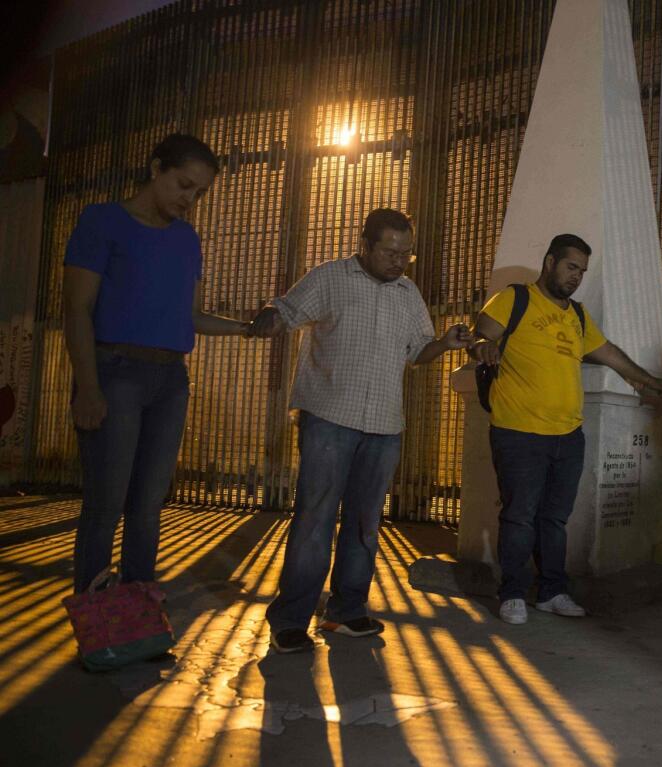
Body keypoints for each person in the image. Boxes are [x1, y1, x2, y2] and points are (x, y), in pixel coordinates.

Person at [250, 208, 471, 653]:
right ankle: (290, 619)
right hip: (329, 418)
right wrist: (266, 319)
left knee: (365, 524)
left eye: (405, 255)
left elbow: (417, 352)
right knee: (314, 521)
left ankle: (346, 612)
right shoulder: (330, 278)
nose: (398, 262)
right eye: (390, 252)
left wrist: (444, 343)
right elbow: (287, 312)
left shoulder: (408, 294)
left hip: (384, 425)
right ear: (365, 245)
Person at [63, 133, 250, 596]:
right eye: (184, 185)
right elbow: (76, 310)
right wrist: (88, 387)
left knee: (148, 505)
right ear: (155, 168)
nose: (190, 199)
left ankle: (137, 617)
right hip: (115, 372)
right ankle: (97, 624)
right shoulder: (102, 221)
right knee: (106, 504)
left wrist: (247, 329)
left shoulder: (187, 240)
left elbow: (190, 316)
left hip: (170, 381)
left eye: (200, 193)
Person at [469, 233, 662, 624]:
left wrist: (647, 381)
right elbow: (481, 336)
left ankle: (552, 591)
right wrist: (482, 346)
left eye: (581, 270)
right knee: (519, 516)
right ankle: (512, 592)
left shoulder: (577, 316)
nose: (576, 276)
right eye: (570, 266)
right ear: (549, 262)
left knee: (555, 519)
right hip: (518, 431)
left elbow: (610, 353)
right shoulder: (516, 299)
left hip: (567, 436)